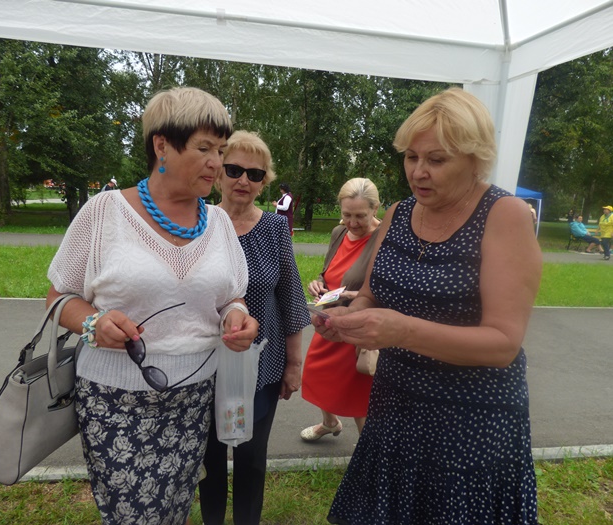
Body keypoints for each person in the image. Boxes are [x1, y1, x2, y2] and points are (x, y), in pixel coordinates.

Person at [313, 88, 542, 524]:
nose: (418, 172)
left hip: (470, 425)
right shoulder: (398, 214)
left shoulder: (505, 215)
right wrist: (347, 318)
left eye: (436, 160)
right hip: (394, 410)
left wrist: (402, 331)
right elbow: (372, 294)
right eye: (411, 157)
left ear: (475, 159)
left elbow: (503, 344)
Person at [45, 86, 259, 525]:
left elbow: (230, 297)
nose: (216, 163)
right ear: (162, 145)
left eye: (220, 150)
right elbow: (58, 298)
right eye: (204, 148)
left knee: (176, 507)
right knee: (132, 515)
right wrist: (94, 323)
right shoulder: (104, 212)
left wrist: (237, 316)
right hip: (115, 399)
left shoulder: (218, 222)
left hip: (194, 398)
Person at [198, 130, 311, 524]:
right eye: (234, 170)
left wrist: (293, 364)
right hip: (204, 367)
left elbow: (291, 298)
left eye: (255, 174)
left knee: (251, 457)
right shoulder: (197, 223)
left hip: (261, 368)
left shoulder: (274, 229)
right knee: (209, 457)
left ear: (265, 182)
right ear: (218, 172)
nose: (243, 180)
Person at [300, 178, 382, 441]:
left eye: (360, 216)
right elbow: (329, 273)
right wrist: (318, 283)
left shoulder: (384, 239)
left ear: (375, 209)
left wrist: (356, 296)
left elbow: (389, 290)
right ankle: (330, 423)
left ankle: (367, 453)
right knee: (317, 375)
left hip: (357, 326)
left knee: (358, 394)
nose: (352, 223)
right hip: (328, 320)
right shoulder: (338, 232)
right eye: (347, 215)